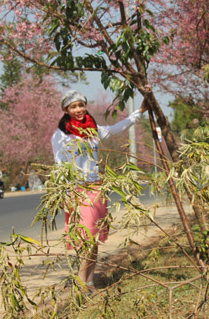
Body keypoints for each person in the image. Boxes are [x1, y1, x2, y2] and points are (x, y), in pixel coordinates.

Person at [51, 90, 147, 295]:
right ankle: (81, 282)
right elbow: (59, 165)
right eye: (73, 107)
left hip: (96, 188)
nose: (78, 110)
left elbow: (115, 129)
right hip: (76, 190)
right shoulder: (61, 135)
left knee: (94, 237)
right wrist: (63, 192)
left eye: (81, 105)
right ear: (66, 110)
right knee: (86, 238)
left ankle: (89, 281)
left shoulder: (92, 130)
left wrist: (139, 112)